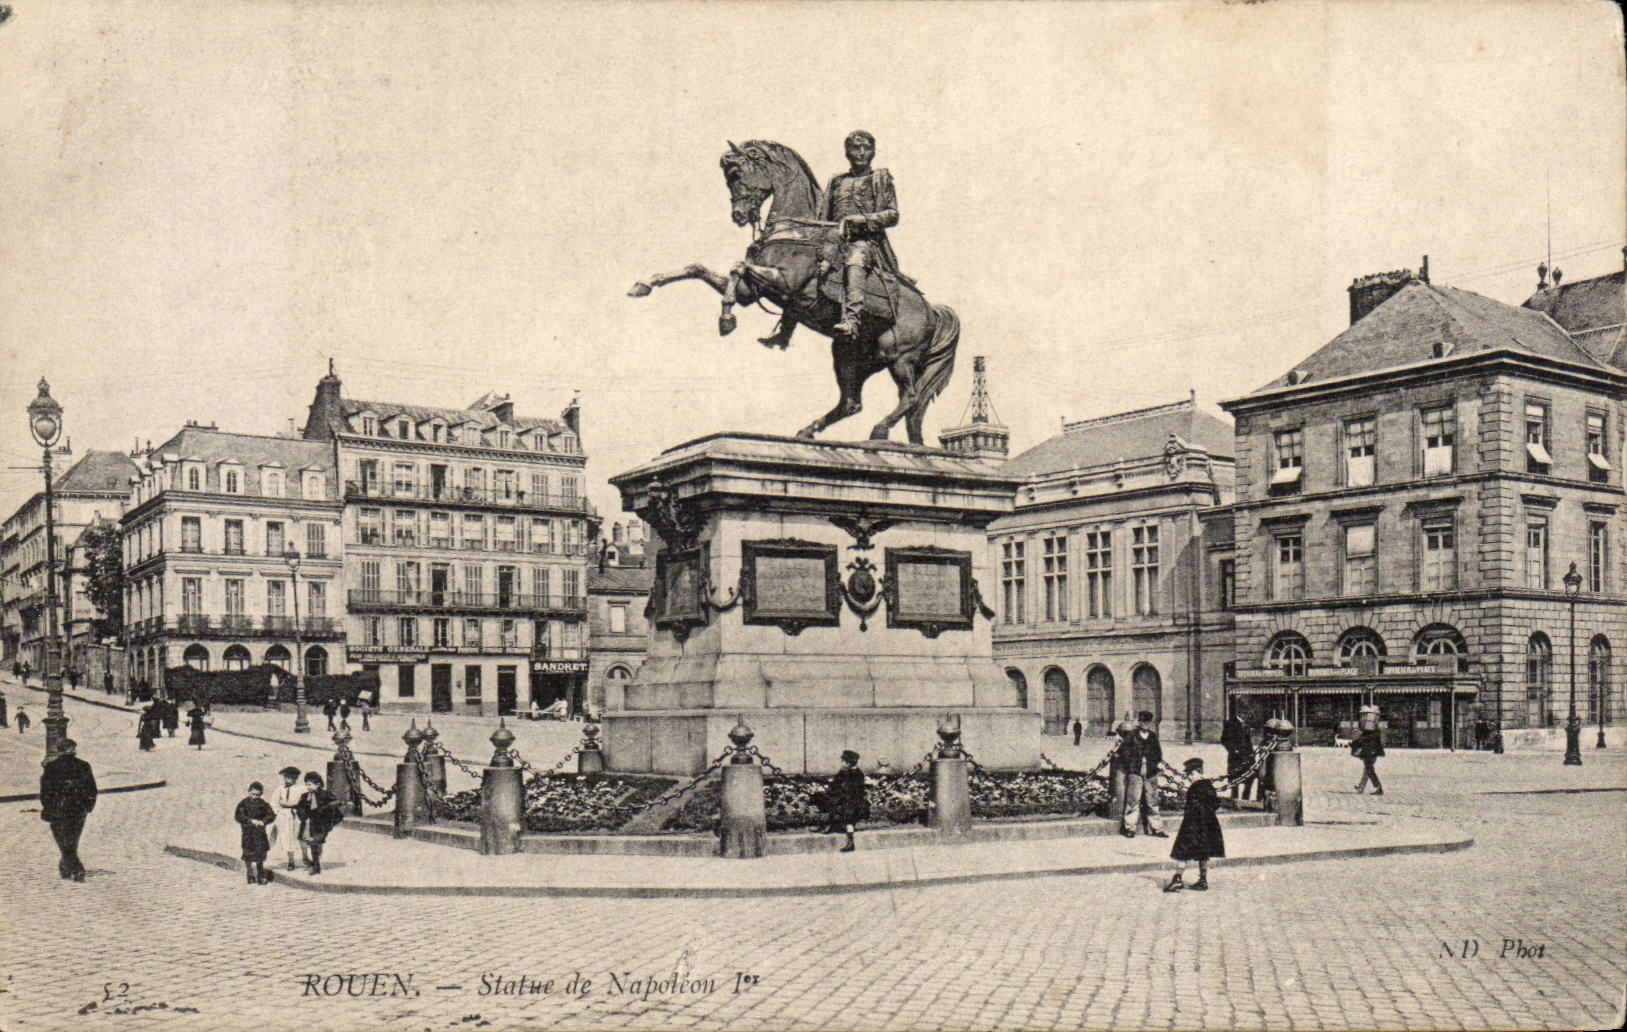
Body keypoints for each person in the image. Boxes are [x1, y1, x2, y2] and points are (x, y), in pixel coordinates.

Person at [823, 131, 901, 339]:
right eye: (855, 148)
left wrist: (863, 220)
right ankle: (786, 328)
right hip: (834, 240)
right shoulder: (836, 181)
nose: (861, 153)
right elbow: (824, 216)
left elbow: (893, 215)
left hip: (865, 241)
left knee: (855, 259)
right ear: (847, 152)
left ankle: (851, 320)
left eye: (866, 148)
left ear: (873, 152)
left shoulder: (880, 179)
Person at [40, 738, 97, 881]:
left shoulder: (51, 767)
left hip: (57, 809)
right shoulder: (83, 766)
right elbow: (91, 789)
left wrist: (47, 806)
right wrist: (88, 806)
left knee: (62, 838)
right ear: (73, 749)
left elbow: (45, 791)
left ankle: (69, 866)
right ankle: (71, 866)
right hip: (78, 809)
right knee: (73, 838)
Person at [1164, 757, 1224, 892]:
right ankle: (1203, 880)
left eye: (1190, 774)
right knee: (1204, 852)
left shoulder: (1194, 788)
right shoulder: (1209, 786)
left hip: (1192, 825)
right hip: (1208, 825)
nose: (1189, 777)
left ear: (1197, 773)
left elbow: (1190, 808)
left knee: (1182, 851)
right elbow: (1215, 804)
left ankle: (1177, 879)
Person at [1120, 711, 1167, 839]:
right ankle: (1130, 828)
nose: (1145, 724)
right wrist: (1132, 767)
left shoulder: (1152, 736)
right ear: (1139, 722)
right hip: (1136, 773)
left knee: (1152, 801)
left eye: (1147, 722)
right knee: (1133, 800)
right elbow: (1124, 754)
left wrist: (1157, 764)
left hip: (1151, 773)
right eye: (1143, 722)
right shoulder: (1131, 736)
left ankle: (1157, 828)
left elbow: (1158, 753)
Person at [817, 749, 870, 853]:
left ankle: (850, 842)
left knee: (848, 818)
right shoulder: (844, 772)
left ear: (849, 763)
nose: (841, 763)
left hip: (855, 803)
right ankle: (832, 824)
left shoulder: (857, 774)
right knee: (821, 798)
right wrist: (827, 783)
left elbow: (853, 792)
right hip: (845, 799)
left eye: (843, 761)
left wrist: (838, 791)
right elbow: (836, 782)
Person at [296, 771, 343, 875]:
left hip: (320, 824)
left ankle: (316, 866)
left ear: (318, 784)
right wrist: (303, 813)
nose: (307, 787)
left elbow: (335, 802)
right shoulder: (305, 796)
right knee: (304, 842)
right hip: (307, 823)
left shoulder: (325, 794)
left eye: (310, 784)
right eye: (306, 784)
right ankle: (310, 862)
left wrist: (323, 809)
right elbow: (299, 808)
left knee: (315, 843)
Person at [235, 781, 276, 885]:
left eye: (258, 795)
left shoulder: (263, 804)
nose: (255, 797)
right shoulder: (243, 803)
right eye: (253, 794)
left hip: (259, 833)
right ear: (249, 792)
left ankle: (260, 875)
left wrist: (263, 821)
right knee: (248, 853)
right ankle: (250, 874)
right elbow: (238, 816)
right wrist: (250, 821)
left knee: (260, 854)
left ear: (261, 794)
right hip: (248, 833)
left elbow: (271, 815)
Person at [271, 766, 308, 871]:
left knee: (301, 836)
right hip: (284, 815)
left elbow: (306, 801)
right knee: (288, 838)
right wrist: (278, 812)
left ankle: (305, 857)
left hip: (297, 814)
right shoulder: (280, 789)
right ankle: (291, 860)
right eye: (285, 777)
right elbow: (274, 802)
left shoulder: (301, 789)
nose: (286, 779)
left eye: (289, 777)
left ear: (295, 778)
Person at [1221, 714, 1255, 800]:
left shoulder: (1246, 723)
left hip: (1247, 756)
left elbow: (1248, 741)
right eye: (1243, 712)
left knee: (1249, 778)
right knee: (1235, 780)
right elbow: (1224, 739)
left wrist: (1251, 753)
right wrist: (1233, 750)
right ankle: (1234, 799)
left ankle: (1246, 799)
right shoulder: (1231, 723)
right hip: (1236, 757)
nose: (1245, 715)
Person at [1352, 722, 1385, 795]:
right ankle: (1361, 786)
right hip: (1373, 753)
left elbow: (1361, 741)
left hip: (1369, 754)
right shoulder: (1375, 732)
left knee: (1369, 770)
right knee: (1367, 770)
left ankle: (1378, 787)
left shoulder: (1368, 733)